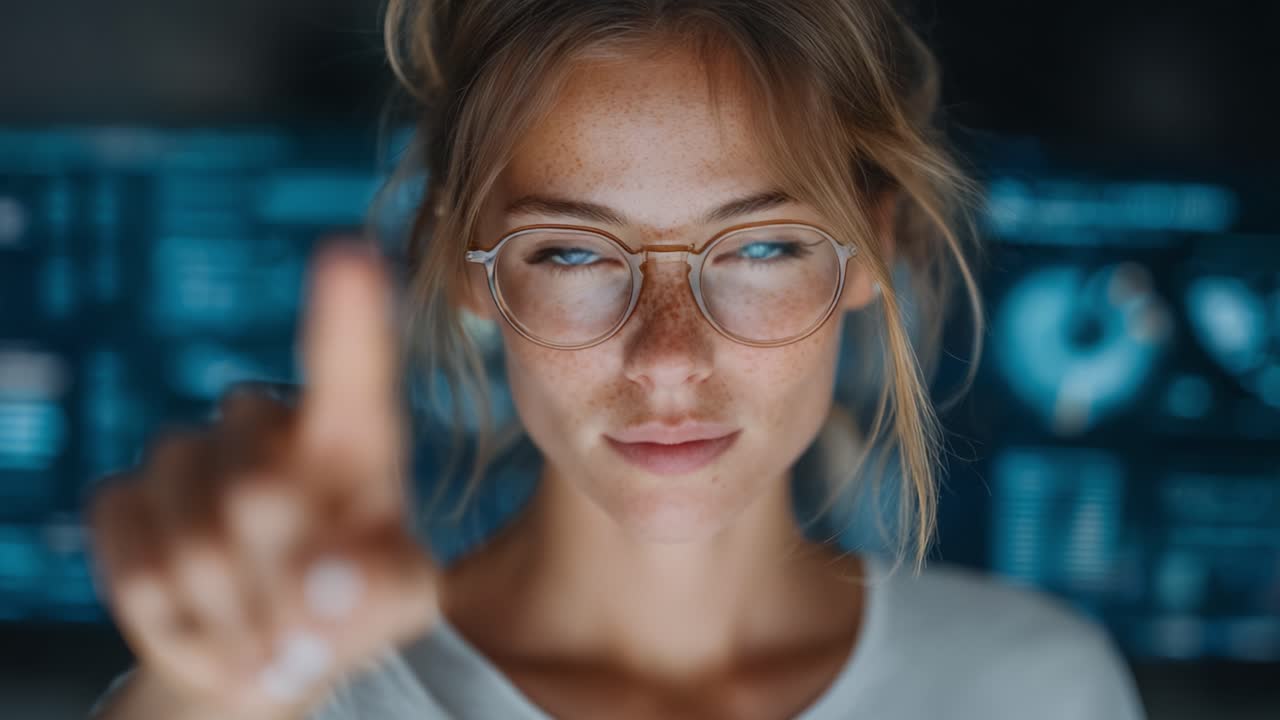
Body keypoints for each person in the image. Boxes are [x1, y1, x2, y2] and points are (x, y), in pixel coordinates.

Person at [87, 1, 1146, 718]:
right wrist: (196, 694)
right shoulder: (307, 694)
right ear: (465, 269)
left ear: (873, 251)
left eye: (762, 246)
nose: (668, 359)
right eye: (572, 252)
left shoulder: (1031, 689)